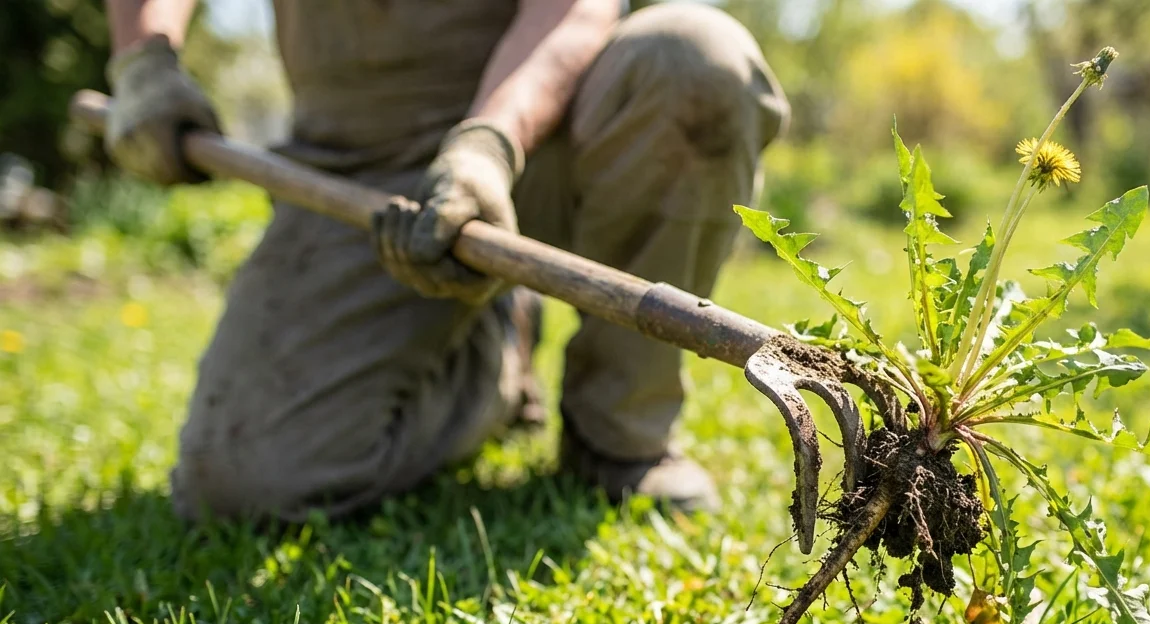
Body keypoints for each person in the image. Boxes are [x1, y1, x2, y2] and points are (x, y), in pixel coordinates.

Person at [101, 0, 788, 521]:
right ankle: (493, 356)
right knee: (243, 482)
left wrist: (488, 144)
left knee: (696, 61)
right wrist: (144, 63)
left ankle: (619, 434)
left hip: (541, 135)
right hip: (353, 170)